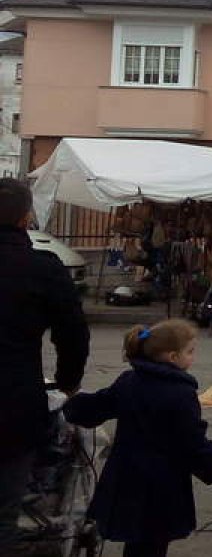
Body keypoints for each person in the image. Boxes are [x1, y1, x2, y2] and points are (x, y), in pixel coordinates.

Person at [64, 319, 212, 557]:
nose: (193, 357)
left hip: (127, 476)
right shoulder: (182, 393)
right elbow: (191, 441)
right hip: (161, 483)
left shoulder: (129, 381)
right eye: (190, 351)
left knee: (138, 541)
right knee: (152, 543)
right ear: (173, 357)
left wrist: (70, 406)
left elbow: (99, 405)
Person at [0, 178, 90, 554]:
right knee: (3, 513)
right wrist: (68, 383)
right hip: (13, 406)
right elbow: (73, 335)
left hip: (15, 404)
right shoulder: (42, 268)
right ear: (25, 218)